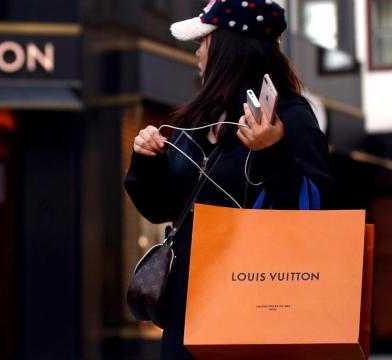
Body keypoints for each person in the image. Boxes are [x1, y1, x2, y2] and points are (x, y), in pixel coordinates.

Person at [124, 1, 334, 359]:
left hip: (259, 314)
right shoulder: (196, 120)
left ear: (227, 48)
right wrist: (148, 162)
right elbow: (161, 209)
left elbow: (319, 218)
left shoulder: (289, 120)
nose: (197, 52)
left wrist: (273, 154)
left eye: (204, 40)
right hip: (189, 314)